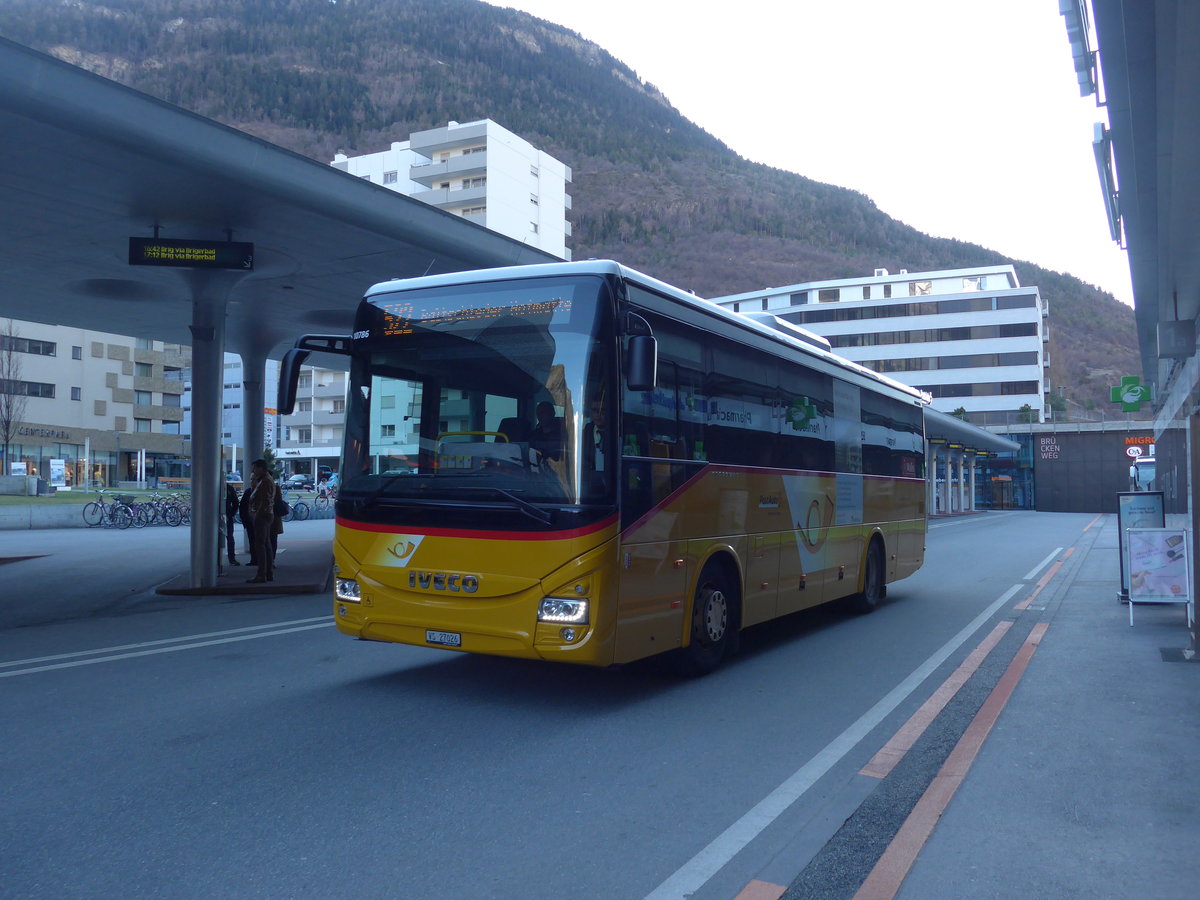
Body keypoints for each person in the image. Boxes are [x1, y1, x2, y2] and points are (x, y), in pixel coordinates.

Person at [245, 458, 277, 583]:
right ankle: (268, 573)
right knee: (266, 544)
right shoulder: (266, 480)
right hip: (266, 515)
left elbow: (264, 501)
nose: (253, 470)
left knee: (260, 544)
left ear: (261, 468)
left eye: (255, 468)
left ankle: (261, 574)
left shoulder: (265, 482)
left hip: (262, 516)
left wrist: (256, 515)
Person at [224, 482, 241, 566]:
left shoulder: (212, 487)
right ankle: (232, 558)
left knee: (228, 537)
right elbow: (235, 502)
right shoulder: (229, 488)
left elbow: (235, 503)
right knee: (230, 537)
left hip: (220, 516)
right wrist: (231, 513)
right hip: (228, 515)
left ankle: (214, 558)